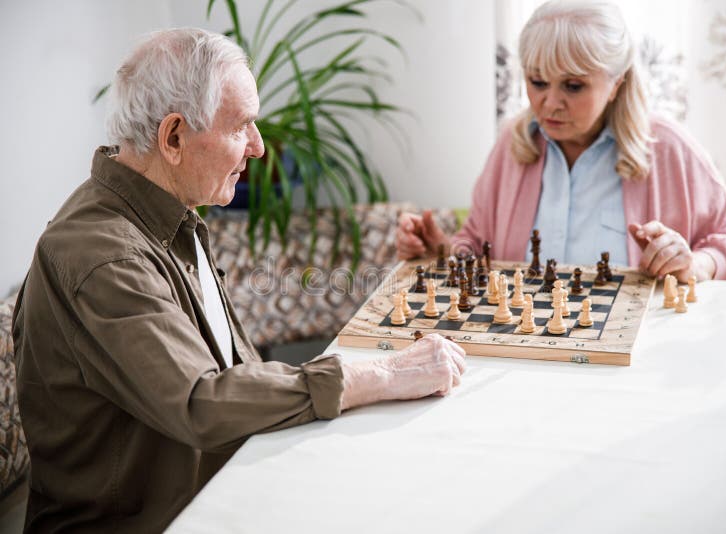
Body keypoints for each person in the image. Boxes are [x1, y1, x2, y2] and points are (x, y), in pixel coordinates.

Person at [12, 28, 466, 533]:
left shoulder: (167, 213)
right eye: (241, 126)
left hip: (219, 494)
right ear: (174, 138)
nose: (258, 147)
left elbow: (230, 374)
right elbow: (201, 403)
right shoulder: (103, 256)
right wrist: (378, 376)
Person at [397, 0, 726, 283]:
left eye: (573, 86)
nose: (550, 103)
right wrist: (442, 251)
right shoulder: (513, 144)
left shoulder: (668, 147)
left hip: (634, 365)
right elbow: (479, 249)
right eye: (537, 82)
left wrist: (696, 263)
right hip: (524, 357)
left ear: (616, 82)